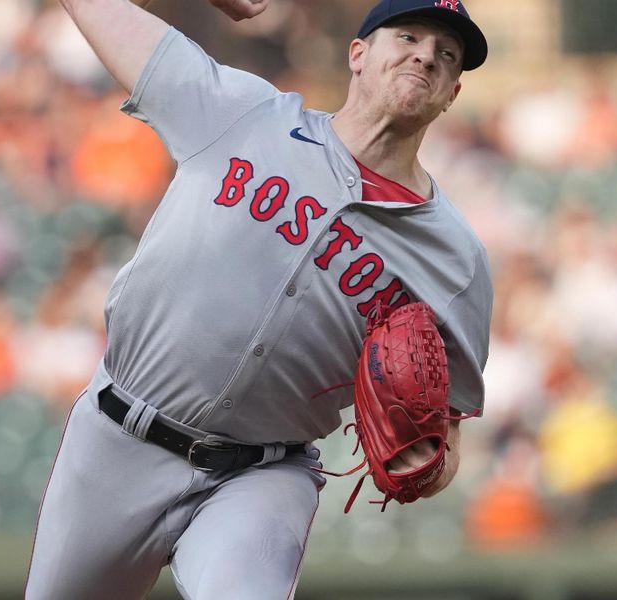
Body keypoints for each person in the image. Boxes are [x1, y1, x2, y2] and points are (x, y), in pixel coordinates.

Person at [25, 0, 493, 598]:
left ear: (451, 92)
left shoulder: (455, 259)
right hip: (119, 440)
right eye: (407, 36)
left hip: (262, 475)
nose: (426, 54)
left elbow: (446, 435)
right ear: (358, 54)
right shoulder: (239, 112)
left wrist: (430, 466)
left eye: (446, 55)